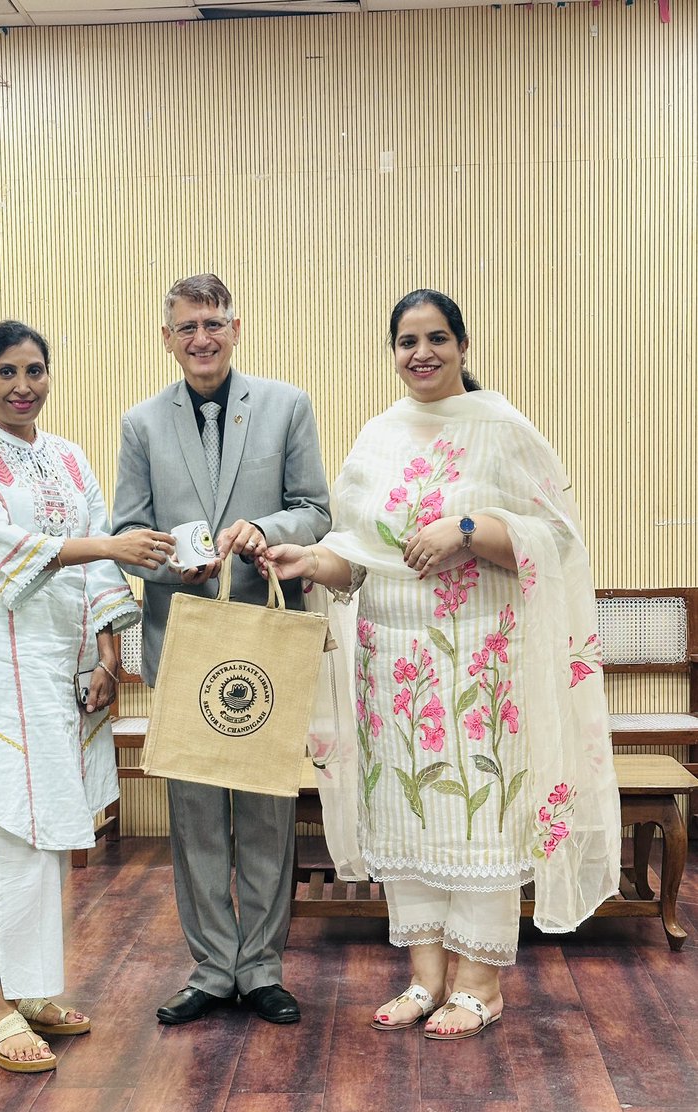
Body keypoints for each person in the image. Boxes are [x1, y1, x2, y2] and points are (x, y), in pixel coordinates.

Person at [262, 290, 620, 1040]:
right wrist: (313, 561)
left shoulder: (501, 427)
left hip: (479, 665)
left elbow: (553, 542)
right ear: (391, 351)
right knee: (409, 813)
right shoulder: (379, 437)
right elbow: (357, 557)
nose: (420, 353)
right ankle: (426, 978)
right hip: (391, 665)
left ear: (462, 343)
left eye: (436, 338)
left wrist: (466, 528)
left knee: (479, 813)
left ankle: (480, 984)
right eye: (405, 342)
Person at [0, 320, 175, 1072]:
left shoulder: (69, 458)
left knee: (47, 834)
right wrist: (110, 548)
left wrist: (110, 657)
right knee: (13, 827)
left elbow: (102, 567)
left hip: (62, 665)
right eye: (5, 372)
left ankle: (31, 991)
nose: (21, 386)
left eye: (34, 370)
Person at [112, 274, 331, 1025]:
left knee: (268, 808)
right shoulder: (140, 424)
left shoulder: (285, 405)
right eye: (185, 327)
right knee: (197, 811)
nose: (200, 338)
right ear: (165, 338)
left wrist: (266, 531)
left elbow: (317, 512)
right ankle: (212, 968)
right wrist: (170, 559)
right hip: (184, 642)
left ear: (237, 328)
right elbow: (127, 539)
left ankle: (263, 966)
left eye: (213, 323)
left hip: (266, 642)